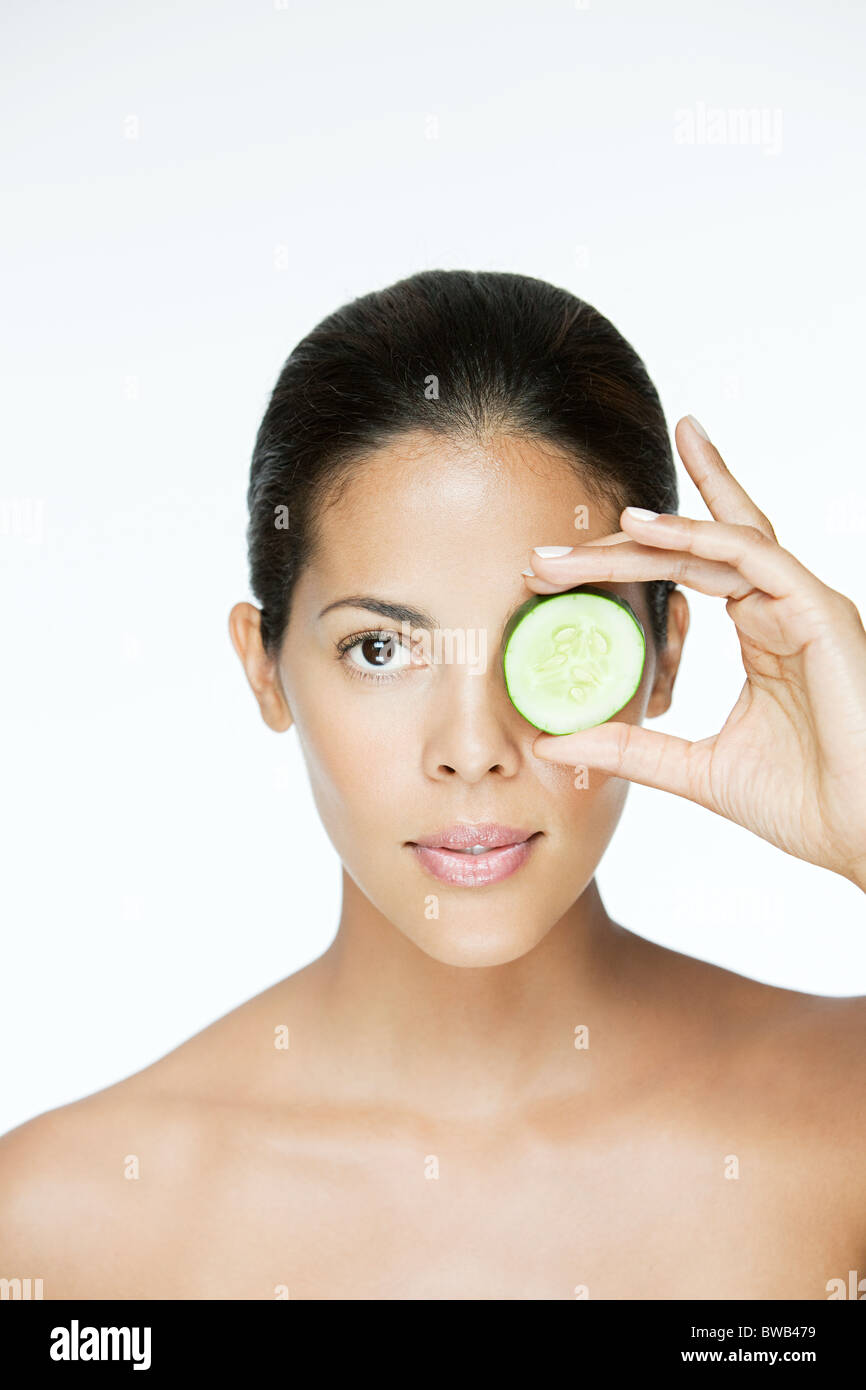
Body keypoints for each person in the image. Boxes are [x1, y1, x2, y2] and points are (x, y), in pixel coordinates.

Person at [1, 270, 864, 1300]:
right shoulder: (63, 1221)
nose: (471, 747)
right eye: (380, 649)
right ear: (263, 666)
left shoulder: (842, 1123)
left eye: (548, 643)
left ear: (661, 652)